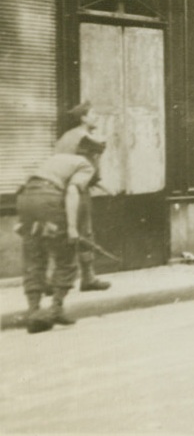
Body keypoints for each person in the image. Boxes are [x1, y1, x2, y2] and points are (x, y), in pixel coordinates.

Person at [17, 134, 106, 333]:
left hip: (25, 198)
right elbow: (73, 192)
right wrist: (72, 228)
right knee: (66, 256)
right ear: (94, 155)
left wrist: (23, 220)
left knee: (34, 256)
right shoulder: (85, 164)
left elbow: (29, 185)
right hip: (50, 199)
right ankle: (56, 309)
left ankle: (33, 311)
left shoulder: (55, 159)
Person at [53, 100, 110, 291]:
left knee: (70, 232)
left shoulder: (68, 137)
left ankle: (70, 279)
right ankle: (85, 278)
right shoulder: (82, 138)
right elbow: (78, 167)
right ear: (83, 118)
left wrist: (99, 184)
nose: (97, 117)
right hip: (75, 189)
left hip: (66, 188)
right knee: (83, 232)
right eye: (93, 114)